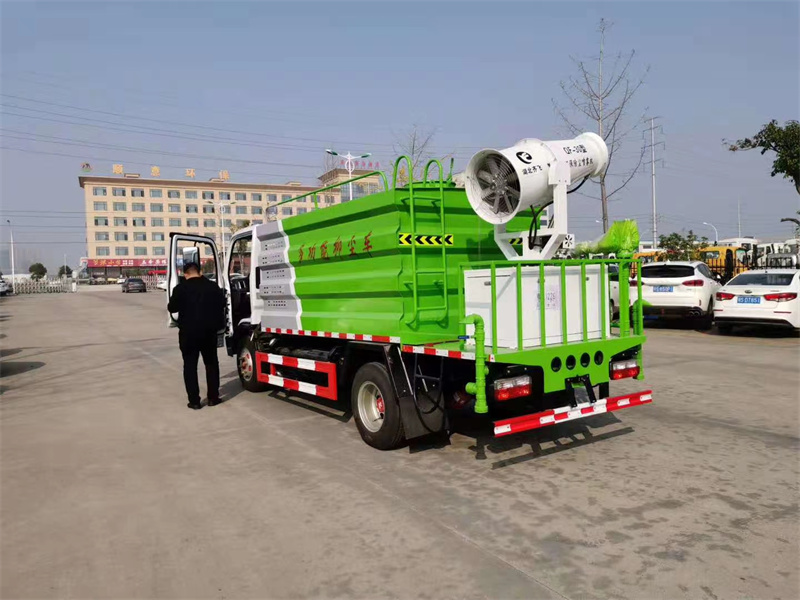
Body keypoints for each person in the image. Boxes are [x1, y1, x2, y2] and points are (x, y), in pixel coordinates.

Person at [167, 262, 226, 409]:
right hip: (209, 332)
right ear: (200, 272)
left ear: (185, 274)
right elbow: (222, 304)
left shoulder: (180, 289)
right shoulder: (212, 287)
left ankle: (194, 401)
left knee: (190, 366)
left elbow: (172, 308)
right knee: (211, 364)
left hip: (188, 334)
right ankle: (213, 398)